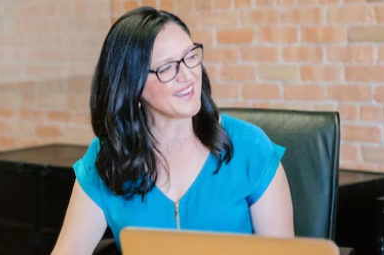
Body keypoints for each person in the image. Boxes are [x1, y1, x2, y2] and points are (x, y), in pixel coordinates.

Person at [51, 7, 294, 255]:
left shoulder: (250, 148)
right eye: (167, 67)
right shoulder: (106, 159)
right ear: (132, 85)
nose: (188, 76)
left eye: (190, 57)